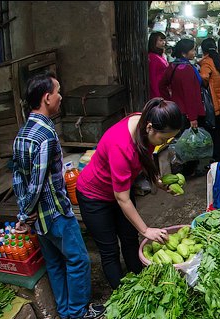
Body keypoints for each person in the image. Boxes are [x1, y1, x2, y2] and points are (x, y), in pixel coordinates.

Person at [12, 73, 102, 319]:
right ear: (46, 97)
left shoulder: (22, 134)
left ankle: (64, 310)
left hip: (39, 220)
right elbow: (38, 183)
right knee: (78, 260)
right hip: (55, 214)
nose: (61, 96)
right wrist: (23, 214)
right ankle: (78, 311)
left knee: (54, 263)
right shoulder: (45, 135)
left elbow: (19, 178)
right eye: (58, 91)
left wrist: (25, 212)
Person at [75, 98, 184, 289]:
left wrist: (157, 181)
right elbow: (122, 198)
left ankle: (140, 282)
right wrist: (146, 230)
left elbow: (145, 155)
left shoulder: (144, 125)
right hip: (95, 196)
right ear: (150, 127)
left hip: (120, 189)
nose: (165, 142)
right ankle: (123, 293)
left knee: (130, 238)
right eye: (164, 139)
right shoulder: (121, 145)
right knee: (109, 250)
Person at [159, 38, 205, 130]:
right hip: (187, 113)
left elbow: (161, 85)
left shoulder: (172, 66)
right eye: (192, 50)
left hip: (175, 109)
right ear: (184, 53)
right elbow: (189, 94)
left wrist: (169, 101)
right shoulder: (187, 70)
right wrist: (193, 118)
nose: (194, 52)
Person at [148, 31, 169, 101]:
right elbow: (152, 77)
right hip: (157, 88)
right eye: (160, 40)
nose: (163, 42)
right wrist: (156, 94)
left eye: (164, 40)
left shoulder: (160, 55)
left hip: (163, 87)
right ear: (154, 42)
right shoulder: (152, 57)